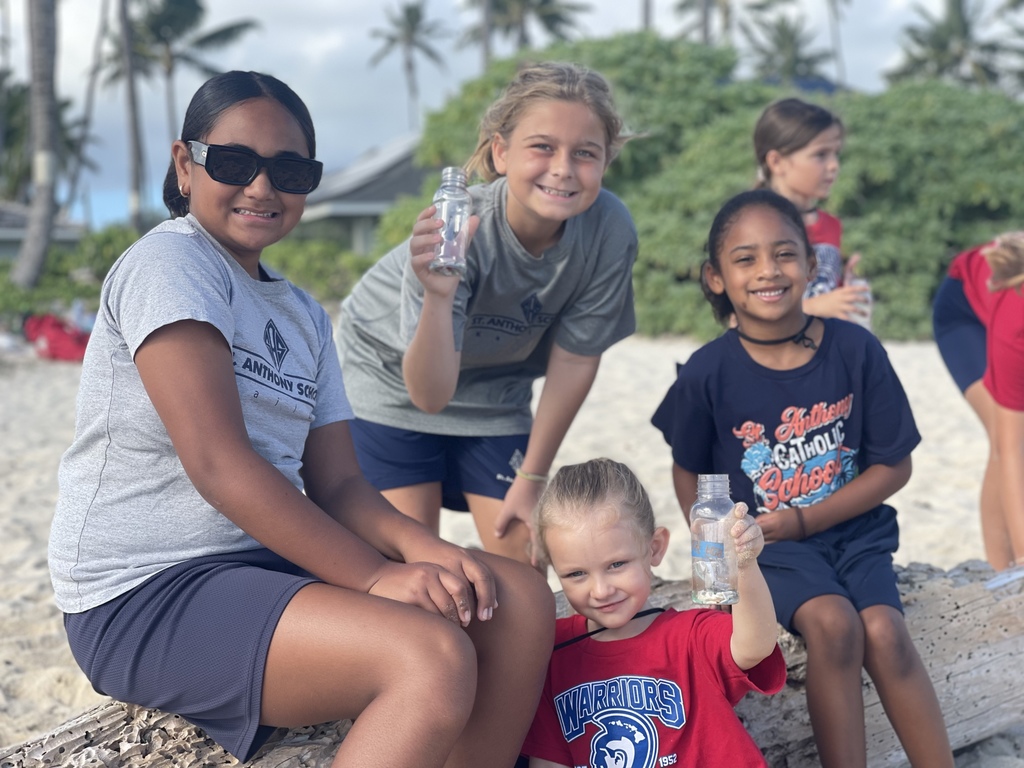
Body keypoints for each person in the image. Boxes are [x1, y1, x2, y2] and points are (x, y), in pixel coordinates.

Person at [48, 70, 554, 768]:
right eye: (233, 163)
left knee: (517, 597)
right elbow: (220, 466)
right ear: (184, 165)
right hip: (149, 588)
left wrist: (422, 550)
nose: (261, 186)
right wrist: (377, 580)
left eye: (289, 170)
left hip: (271, 566)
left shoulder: (303, 314)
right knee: (429, 657)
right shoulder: (171, 263)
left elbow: (341, 485)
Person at [651, 190, 953, 767]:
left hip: (855, 534)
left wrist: (805, 519)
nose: (768, 270)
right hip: (767, 549)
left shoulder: (855, 350)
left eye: (785, 254)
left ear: (812, 266)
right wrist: (714, 554)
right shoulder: (707, 373)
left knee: (886, 632)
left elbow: (896, 466)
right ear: (716, 278)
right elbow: (688, 467)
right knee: (834, 625)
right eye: (745, 259)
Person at [336, 61, 637, 566]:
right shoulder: (458, 231)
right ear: (501, 152)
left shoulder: (608, 229)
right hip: (391, 381)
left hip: (497, 393)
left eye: (585, 153)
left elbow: (576, 360)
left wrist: (533, 479)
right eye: (542, 146)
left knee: (525, 565)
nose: (563, 167)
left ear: (605, 162)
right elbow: (428, 396)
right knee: (412, 568)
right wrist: (436, 294)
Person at [520, 458, 785, 768]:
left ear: (655, 548)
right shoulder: (551, 654)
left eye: (616, 565)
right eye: (576, 574)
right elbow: (548, 760)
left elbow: (755, 645)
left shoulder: (689, 635)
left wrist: (745, 565)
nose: (601, 589)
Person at [934, 232, 1024, 571]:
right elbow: (1011, 447)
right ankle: (1007, 574)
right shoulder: (1017, 322)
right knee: (1008, 438)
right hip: (964, 312)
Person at [753, 97, 870, 324]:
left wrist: (845, 289)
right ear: (777, 162)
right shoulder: (755, 226)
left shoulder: (831, 225)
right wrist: (815, 307)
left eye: (836, 154)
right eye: (820, 155)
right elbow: (741, 315)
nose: (834, 165)